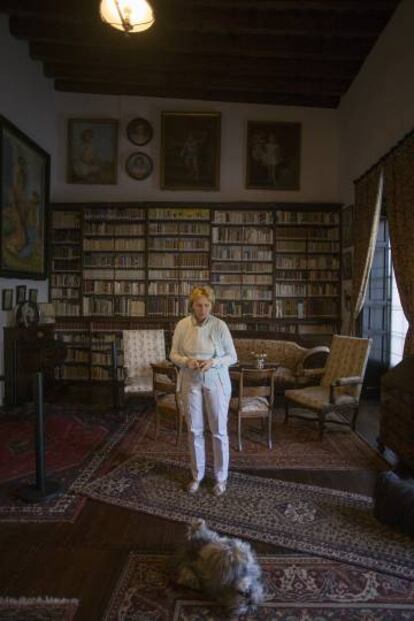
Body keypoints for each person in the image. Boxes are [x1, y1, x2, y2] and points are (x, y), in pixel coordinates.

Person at [170, 286, 237, 496]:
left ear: (211, 305)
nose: (203, 309)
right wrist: (186, 361)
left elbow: (232, 357)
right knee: (194, 430)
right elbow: (173, 354)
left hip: (216, 380)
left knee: (218, 430)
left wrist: (213, 362)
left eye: (207, 305)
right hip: (190, 379)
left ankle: (220, 478)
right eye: (199, 305)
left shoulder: (219, 326)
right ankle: (197, 475)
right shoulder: (182, 325)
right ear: (192, 305)